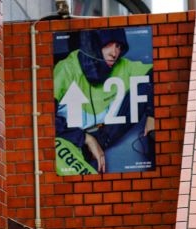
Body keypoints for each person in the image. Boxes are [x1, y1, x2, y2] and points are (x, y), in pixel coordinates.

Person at [54, 28, 154, 175]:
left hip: (105, 134)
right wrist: (85, 138)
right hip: (73, 140)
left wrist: (153, 114)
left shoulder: (124, 66)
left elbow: (159, 72)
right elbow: (42, 117)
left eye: (119, 46)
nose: (114, 53)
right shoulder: (66, 68)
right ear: (94, 44)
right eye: (108, 44)